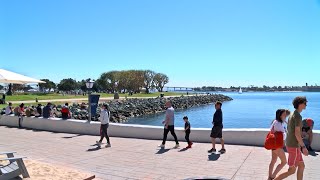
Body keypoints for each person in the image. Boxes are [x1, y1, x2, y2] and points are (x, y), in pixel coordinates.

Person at [275, 96, 308, 180]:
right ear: (300, 104)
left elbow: (293, 130)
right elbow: (297, 133)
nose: (306, 104)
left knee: (301, 166)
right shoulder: (297, 116)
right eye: (305, 103)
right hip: (294, 146)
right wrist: (303, 147)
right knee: (291, 170)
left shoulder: (293, 114)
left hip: (292, 144)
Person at [268, 109, 288, 180]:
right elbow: (283, 136)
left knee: (273, 161)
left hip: (274, 145)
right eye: (284, 114)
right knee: (284, 162)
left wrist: (285, 122)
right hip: (278, 146)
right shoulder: (278, 124)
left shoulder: (275, 121)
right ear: (280, 115)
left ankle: (269, 177)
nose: (285, 116)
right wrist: (285, 131)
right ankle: (273, 176)